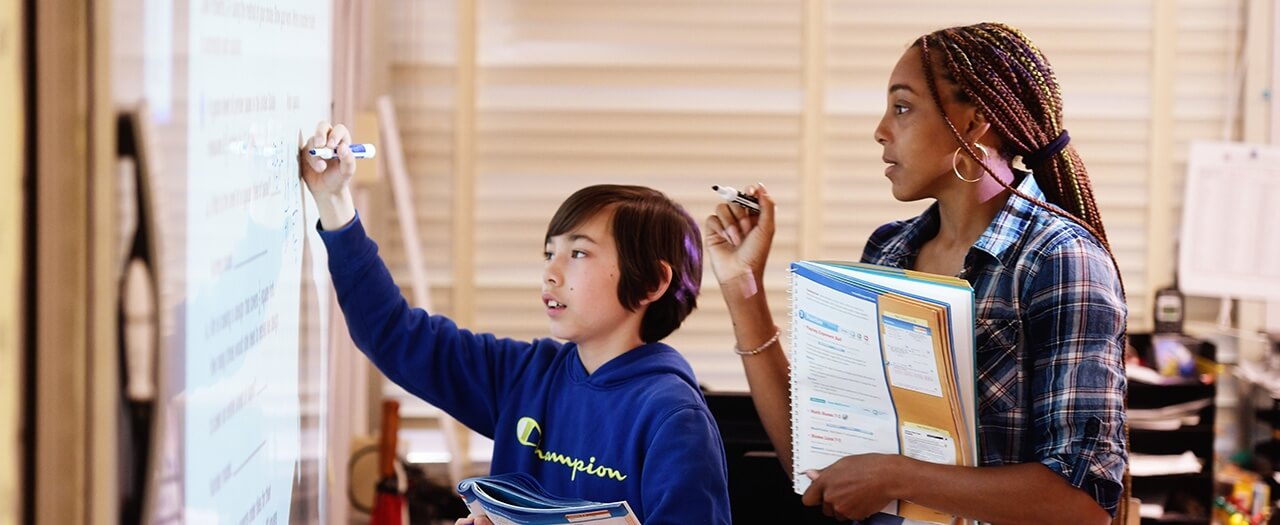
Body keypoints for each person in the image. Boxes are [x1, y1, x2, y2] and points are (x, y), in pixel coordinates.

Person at [705, 22, 1127, 525]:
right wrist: (742, 288)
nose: (880, 130)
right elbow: (820, 469)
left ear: (973, 124)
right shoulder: (889, 250)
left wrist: (898, 476)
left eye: (902, 108)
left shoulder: (1060, 260)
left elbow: (1083, 503)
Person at [301, 122, 731, 525]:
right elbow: (393, 334)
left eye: (578, 253)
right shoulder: (525, 375)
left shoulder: (675, 418)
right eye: (549, 253)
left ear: (652, 282)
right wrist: (334, 201)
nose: (551, 272)